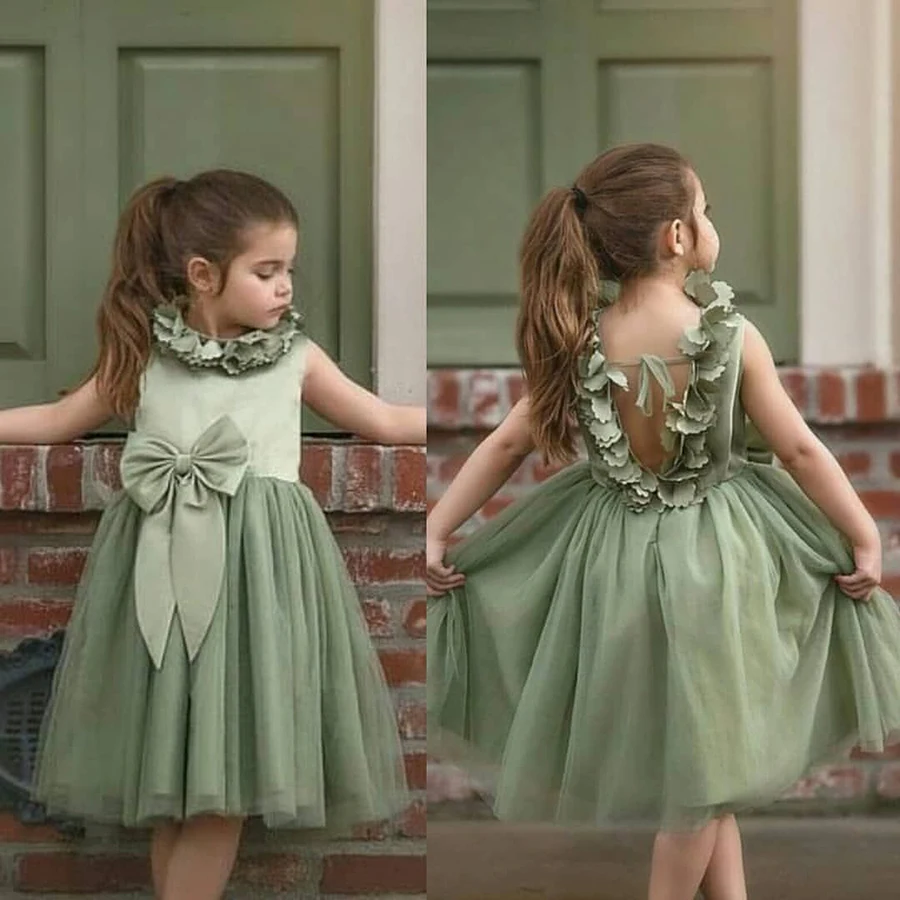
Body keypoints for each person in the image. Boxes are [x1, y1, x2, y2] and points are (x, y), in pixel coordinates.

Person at [426, 143, 900, 900]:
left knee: (704, 765)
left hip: (611, 560)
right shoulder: (732, 337)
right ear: (677, 236)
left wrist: (437, 526)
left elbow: (510, 439)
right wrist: (864, 534)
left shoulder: (580, 336)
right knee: (700, 783)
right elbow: (801, 451)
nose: (711, 222)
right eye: (703, 208)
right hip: (717, 561)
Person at [0, 170, 425, 900]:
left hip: (259, 588)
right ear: (202, 275)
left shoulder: (295, 358)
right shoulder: (143, 357)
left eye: (288, 269)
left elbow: (385, 422)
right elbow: (52, 421)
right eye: (267, 272)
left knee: (220, 789)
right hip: (160, 586)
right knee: (182, 789)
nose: (286, 286)